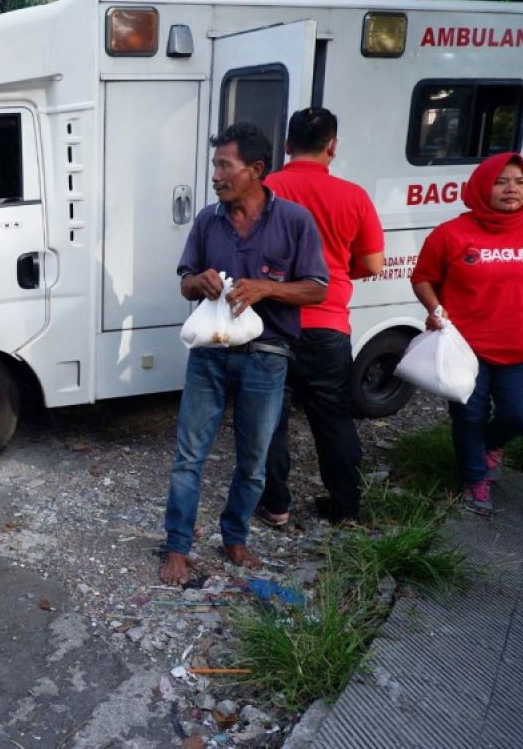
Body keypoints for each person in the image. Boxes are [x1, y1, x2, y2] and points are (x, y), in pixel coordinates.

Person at [161, 123, 329, 586]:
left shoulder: (294, 221)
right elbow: (184, 282)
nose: (215, 175)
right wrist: (200, 282)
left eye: (224, 165)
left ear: (256, 170)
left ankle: (235, 537)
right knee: (188, 457)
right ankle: (177, 546)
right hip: (209, 357)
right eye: (215, 165)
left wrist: (267, 289)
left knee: (253, 460)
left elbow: (317, 289)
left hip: (267, 356)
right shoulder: (207, 220)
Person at [411, 152, 523, 516]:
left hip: (520, 348)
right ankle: (475, 480)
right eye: (501, 181)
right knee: (468, 417)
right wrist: (434, 309)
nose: (511, 189)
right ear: (482, 186)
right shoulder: (451, 234)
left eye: (519, 182)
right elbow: (423, 277)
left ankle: (488, 446)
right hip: (464, 348)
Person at [258, 108, 385, 527]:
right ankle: (346, 508)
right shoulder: (354, 196)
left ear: (288, 145)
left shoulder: (264, 190)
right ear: (332, 146)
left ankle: (276, 507)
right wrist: (336, 273)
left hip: (270, 325)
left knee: (270, 421)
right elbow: (372, 263)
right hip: (328, 327)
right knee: (333, 419)